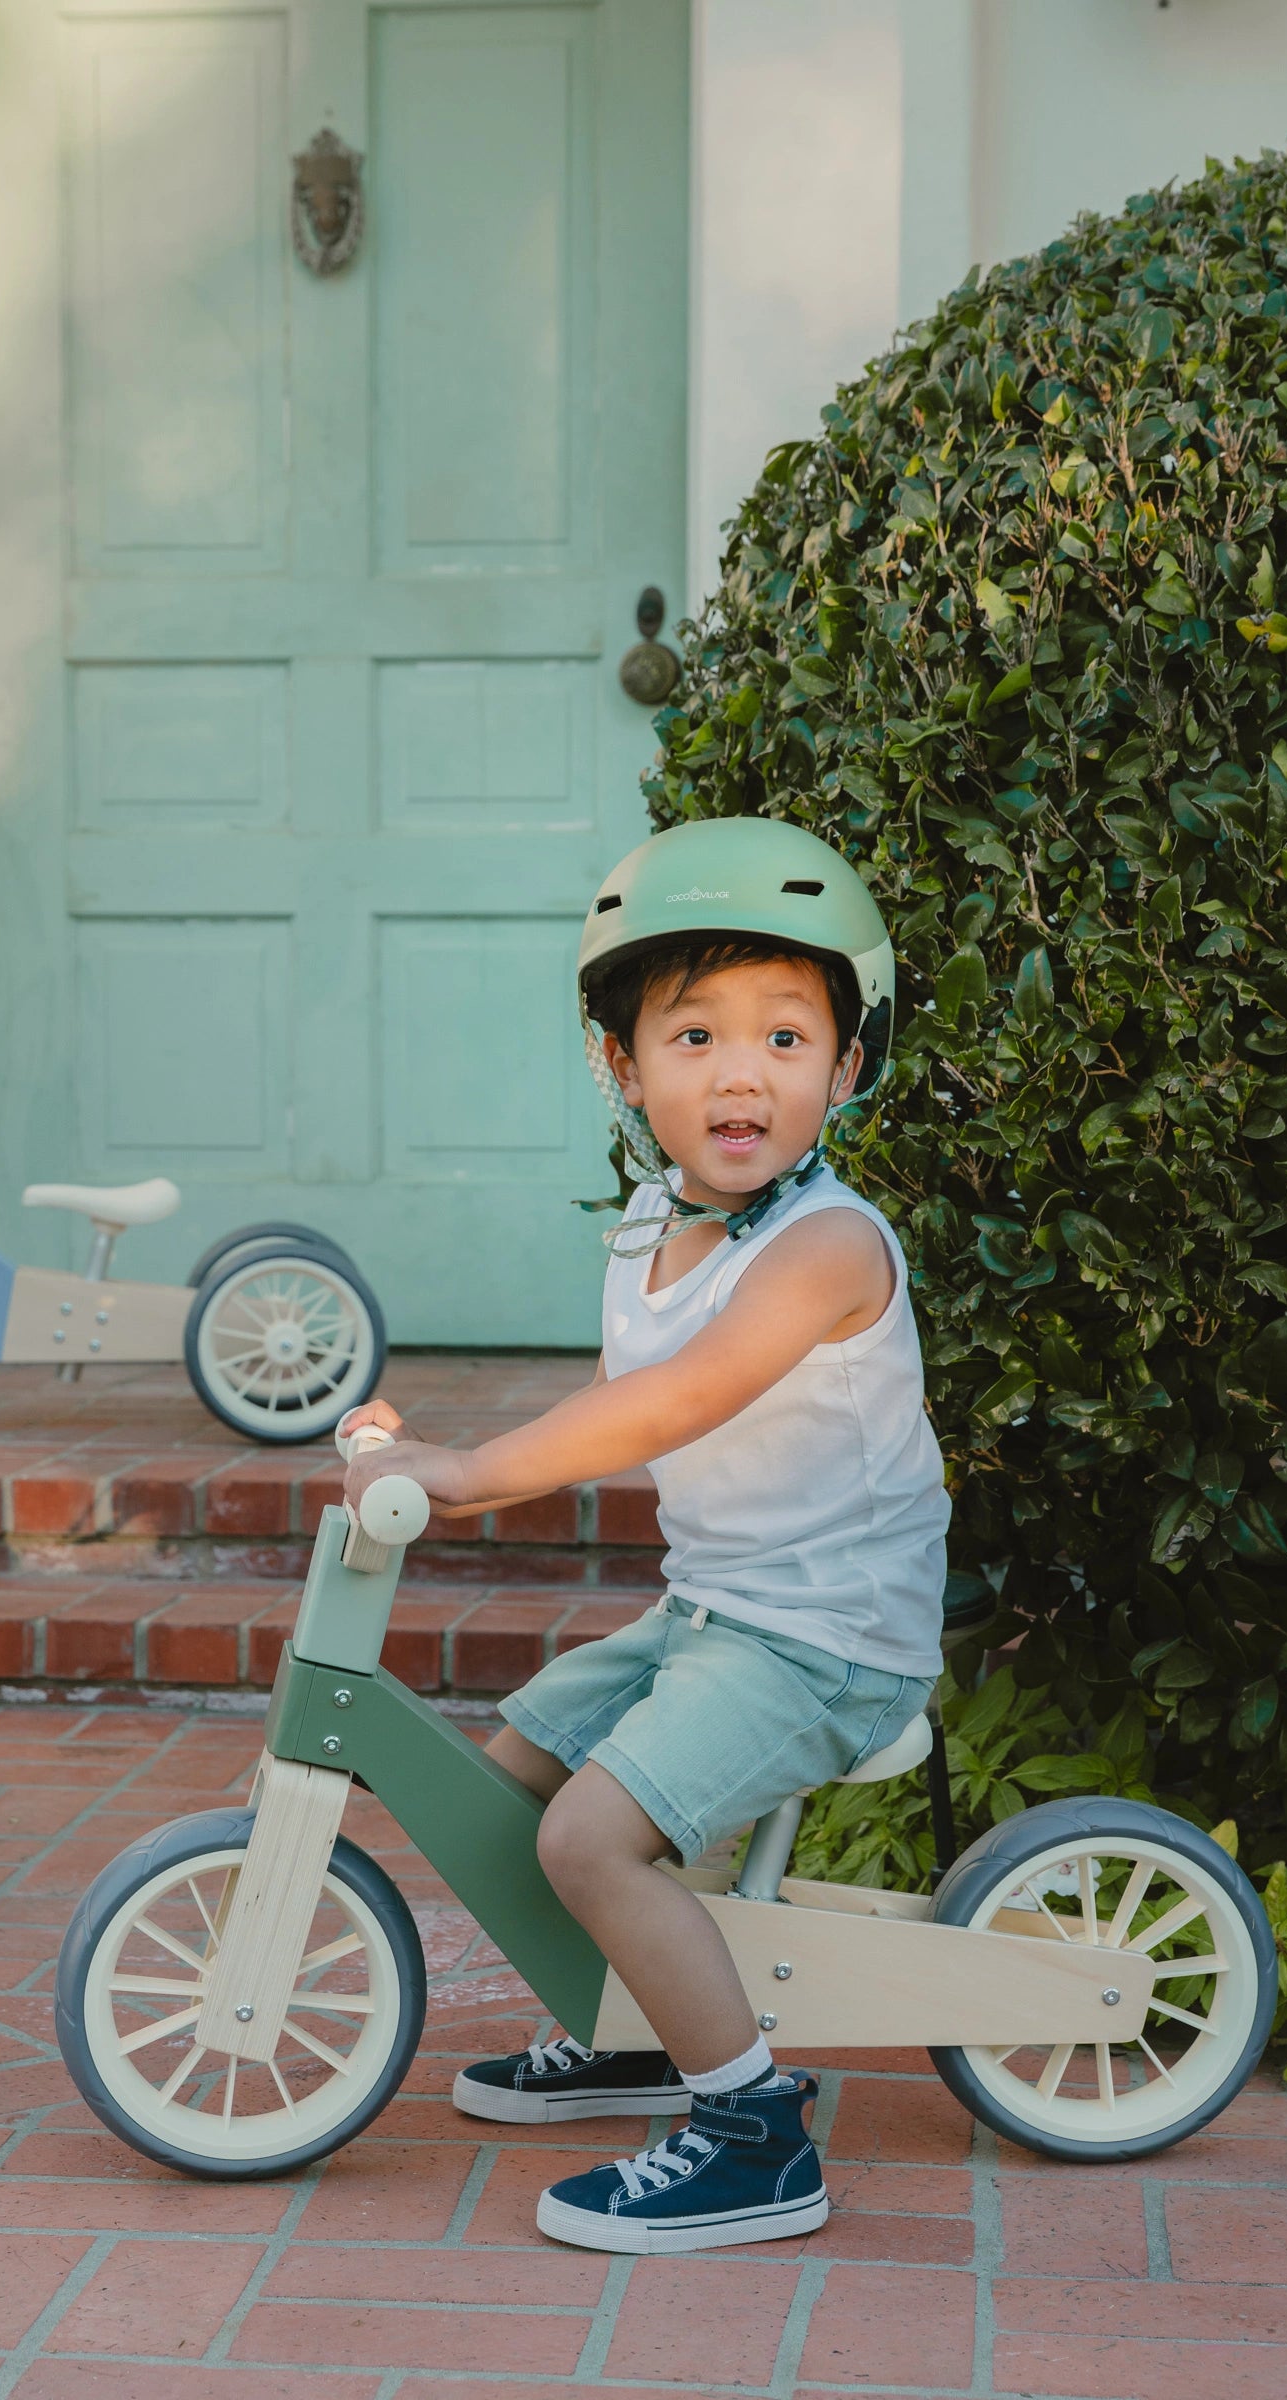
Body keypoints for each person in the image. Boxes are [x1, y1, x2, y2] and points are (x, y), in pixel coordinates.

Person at [340, 816, 949, 2255]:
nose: (741, 1072)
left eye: (786, 1037)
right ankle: (637, 2026)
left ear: (845, 1068)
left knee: (589, 1840)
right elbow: (614, 1398)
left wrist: (468, 1472)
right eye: (692, 1036)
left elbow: (671, 1402)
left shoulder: (826, 1247)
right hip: (715, 1612)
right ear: (622, 1066)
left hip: (823, 1644)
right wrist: (411, 1438)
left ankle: (752, 2130)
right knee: (507, 1776)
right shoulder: (651, 1224)